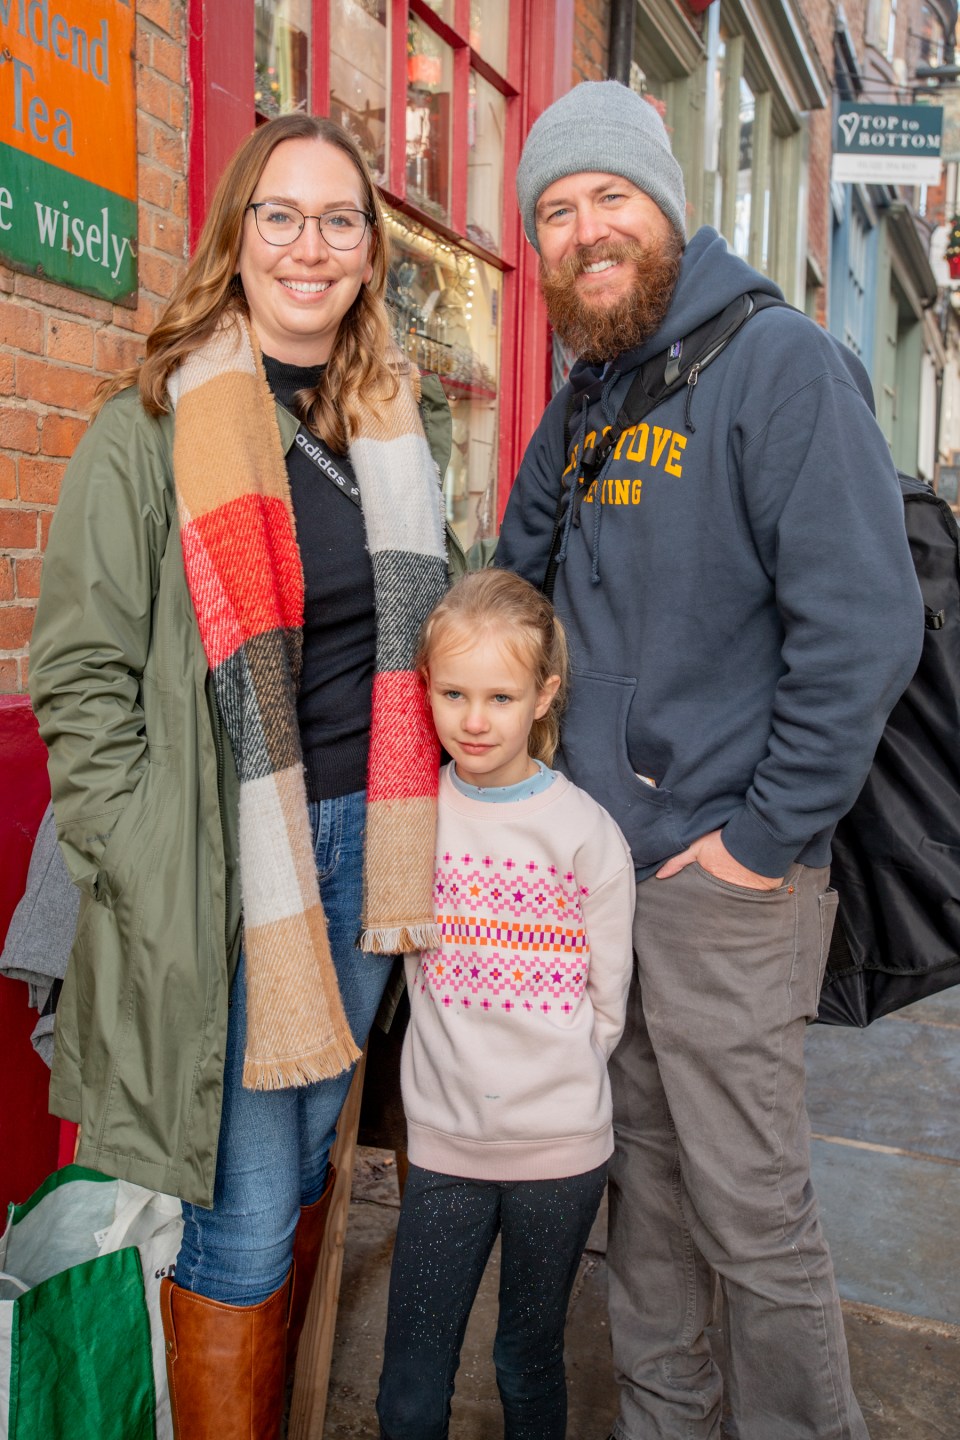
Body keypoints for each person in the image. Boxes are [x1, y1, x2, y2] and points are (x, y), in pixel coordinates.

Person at [495, 81, 925, 1440]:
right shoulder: (589, 394)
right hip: (603, 879)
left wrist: (758, 840)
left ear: (668, 207)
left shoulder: (779, 363)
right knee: (653, 1213)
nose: (583, 230)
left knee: (752, 1216)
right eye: (555, 214)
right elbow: (517, 596)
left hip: (727, 886)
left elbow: (864, 629)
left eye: (609, 198)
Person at [29, 113, 461, 1439]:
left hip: (363, 858)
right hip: (221, 875)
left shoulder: (386, 421)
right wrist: (155, 866)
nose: (309, 245)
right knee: (248, 1205)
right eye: (280, 213)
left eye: (340, 220)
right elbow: (81, 682)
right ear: (236, 232)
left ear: (369, 252)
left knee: (306, 1175)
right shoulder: (145, 428)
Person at [375, 570, 636, 1440]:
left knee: (527, 1361)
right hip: (446, 1145)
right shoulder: (415, 816)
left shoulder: (586, 835)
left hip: (558, 1158)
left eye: (499, 695)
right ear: (428, 693)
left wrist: (548, 1081)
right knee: (410, 1383)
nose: (473, 719)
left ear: (543, 696)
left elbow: (609, 1004)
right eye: (453, 693)